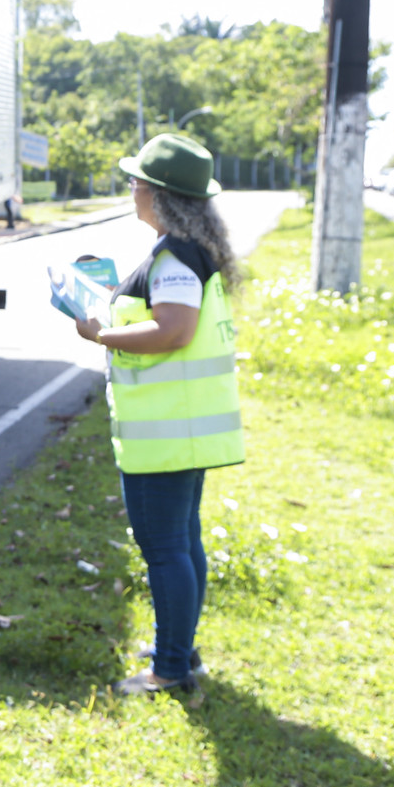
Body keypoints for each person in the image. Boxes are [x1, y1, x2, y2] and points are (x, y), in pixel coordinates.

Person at [68, 133, 242, 696]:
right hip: (180, 429)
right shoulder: (185, 249)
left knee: (166, 548)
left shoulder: (174, 256)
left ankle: (169, 670)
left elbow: (173, 329)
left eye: (136, 182)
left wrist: (102, 333)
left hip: (166, 433)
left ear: (160, 195)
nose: (132, 191)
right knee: (181, 542)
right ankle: (179, 647)